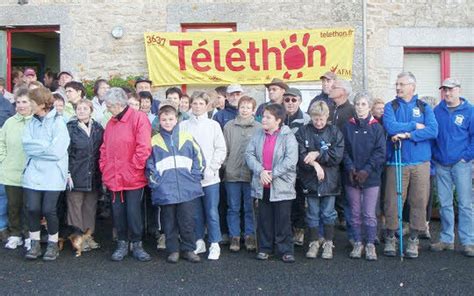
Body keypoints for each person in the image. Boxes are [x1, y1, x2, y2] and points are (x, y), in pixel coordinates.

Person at [382, 71, 438, 259]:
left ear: (412, 86)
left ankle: (413, 239)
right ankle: (390, 236)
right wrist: (414, 126)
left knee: (419, 201)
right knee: (392, 200)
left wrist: (408, 135)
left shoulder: (424, 107)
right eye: (397, 84)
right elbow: (390, 126)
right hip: (397, 161)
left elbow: (433, 130)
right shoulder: (391, 106)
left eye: (402, 84)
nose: (398, 87)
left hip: (420, 162)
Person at [99, 87, 152, 262]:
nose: (107, 108)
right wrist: (104, 167)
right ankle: (122, 242)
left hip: (133, 177)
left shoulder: (139, 119)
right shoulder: (111, 123)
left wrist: (132, 168)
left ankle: (136, 244)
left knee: (133, 212)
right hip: (115, 177)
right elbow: (104, 148)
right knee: (118, 212)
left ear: (119, 104)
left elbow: (143, 147)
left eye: (109, 105)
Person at [147, 105, 204, 264]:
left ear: (177, 119)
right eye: (164, 119)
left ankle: (188, 249)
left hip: (187, 188)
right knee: (169, 222)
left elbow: (199, 158)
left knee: (187, 221)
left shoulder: (187, 137)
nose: (167, 122)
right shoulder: (154, 141)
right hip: (165, 190)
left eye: (170, 119)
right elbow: (149, 164)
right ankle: (173, 250)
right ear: (159, 121)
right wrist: (156, 182)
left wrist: (195, 177)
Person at [246, 103, 298, 263]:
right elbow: (249, 154)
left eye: (268, 117)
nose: (264, 119)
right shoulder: (258, 135)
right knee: (264, 219)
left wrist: (272, 174)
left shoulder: (288, 137)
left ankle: (285, 250)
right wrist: (261, 171)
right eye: (263, 116)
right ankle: (265, 248)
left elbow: (290, 160)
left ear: (278, 120)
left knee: (283, 220)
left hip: (281, 185)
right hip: (262, 184)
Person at [22, 87, 70, 261]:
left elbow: (57, 151)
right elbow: (26, 145)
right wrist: (45, 146)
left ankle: (52, 243)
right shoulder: (30, 123)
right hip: (33, 173)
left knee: (49, 210)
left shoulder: (59, 123)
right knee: (32, 208)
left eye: (32, 102)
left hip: (53, 174)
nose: (29, 105)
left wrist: (38, 148)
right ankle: (34, 244)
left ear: (42, 104)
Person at [180, 91, 226, 260]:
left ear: (207, 105)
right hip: (191, 177)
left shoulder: (213, 126)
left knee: (211, 211)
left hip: (210, 177)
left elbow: (221, 148)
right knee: (195, 212)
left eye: (201, 104)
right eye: (195, 103)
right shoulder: (183, 126)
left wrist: (212, 168)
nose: (197, 107)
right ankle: (199, 240)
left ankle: (214, 243)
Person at [295, 101, 344, 260]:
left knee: (328, 213)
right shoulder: (303, 132)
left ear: (327, 117)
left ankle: (329, 242)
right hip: (310, 179)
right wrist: (315, 165)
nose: (319, 122)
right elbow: (301, 156)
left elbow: (336, 156)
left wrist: (317, 154)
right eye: (315, 119)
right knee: (312, 213)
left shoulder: (335, 131)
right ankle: (314, 241)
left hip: (329, 180)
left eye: (321, 119)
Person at [431, 78, 474, 257]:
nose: (447, 93)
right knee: (445, 204)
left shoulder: (470, 111)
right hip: (441, 163)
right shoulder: (436, 111)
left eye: (451, 90)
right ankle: (447, 239)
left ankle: (468, 241)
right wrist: (435, 156)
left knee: (465, 204)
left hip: (461, 164)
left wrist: (467, 157)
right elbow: (432, 134)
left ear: (458, 90)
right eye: (445, 90)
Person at [342, 92, 385, 260]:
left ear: (369, 107)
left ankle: (370, 244)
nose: (360, 107)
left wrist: (366, 170)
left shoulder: (376, 127)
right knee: (355, 212)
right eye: (357, 104)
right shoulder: (348, 126)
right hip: (352, 176)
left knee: (368, 213)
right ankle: (358, 242)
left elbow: (380, 152)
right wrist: (351, 168)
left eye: (363, 104)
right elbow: (343, 150)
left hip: (370, 177)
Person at [223, 96, 261, 252]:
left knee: (249, 207)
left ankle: (250, 235)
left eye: (248, 107)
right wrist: (226, 165)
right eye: (242, 107)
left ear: (253, 110)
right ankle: (235, 236)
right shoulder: (229, 126)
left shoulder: (259, 127)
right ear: (238, 108)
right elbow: (223, 148)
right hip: (232, 174)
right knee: (233, 207)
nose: (244, 110)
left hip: (251, 175)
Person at [66, 99, 104, 251]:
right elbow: (65, 152)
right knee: (75, 206)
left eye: (84, 108)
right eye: (78, 109)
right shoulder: (70, 128)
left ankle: (88, 236)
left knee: (90, 207)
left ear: (91, 110)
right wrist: (67, 172)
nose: (81, 111)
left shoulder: (98, 128)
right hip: (75, 173)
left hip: (93, 174)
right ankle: (78, 237)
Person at [0, 87, 32, 250]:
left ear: (31, 103)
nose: (21, 105)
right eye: (18, 102)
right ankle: (15, 234)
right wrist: (3, 159)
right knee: (13, 206)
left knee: (29, 207)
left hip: (31, 173)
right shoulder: (9, 122)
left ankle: (28, 235)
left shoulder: (36, 121)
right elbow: (1, 143)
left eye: (24, 102)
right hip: (11, 171)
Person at [282, 87, 310, 246]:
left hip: (300, 168)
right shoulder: (279, 118)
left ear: (299, 101)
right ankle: (287, 230)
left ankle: (299, 229)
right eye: (287, 100)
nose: (290, 103)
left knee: (299, 200)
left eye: (294, 100)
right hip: (283, 169)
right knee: (285, 201)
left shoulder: (306, 119)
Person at [327, 79, 355, 235]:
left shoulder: (351, 110)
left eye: (335, 87)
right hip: (329, 158)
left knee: (347, 191)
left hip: (346, 157)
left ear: (343, 92)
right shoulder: (329, 108)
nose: (331, 88)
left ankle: (347, 221)